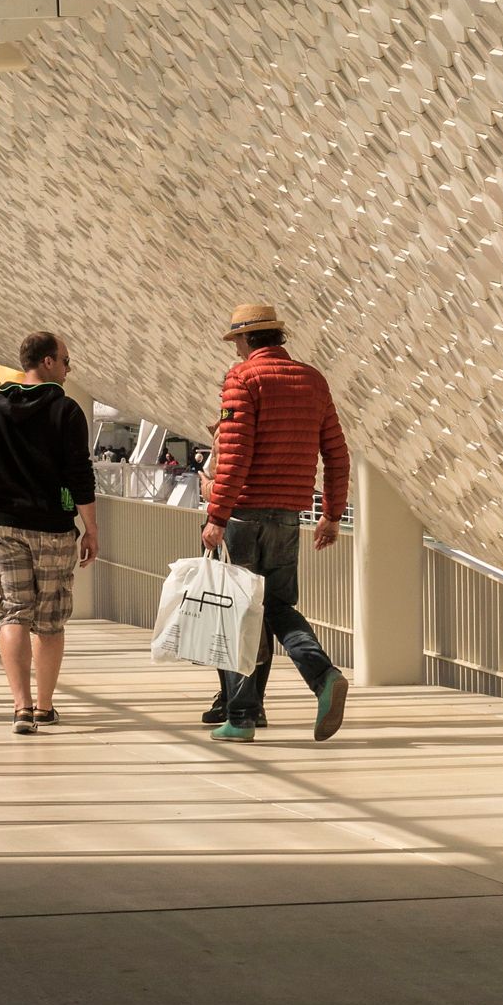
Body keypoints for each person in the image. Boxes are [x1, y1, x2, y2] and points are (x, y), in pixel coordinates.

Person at [202, 303, 350, 744]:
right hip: (289, 515)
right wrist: (332, 515)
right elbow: (337, 455)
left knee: (239, 613)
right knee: (276, 606)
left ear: (246, 341)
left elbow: (234, 458)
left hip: (244, 514)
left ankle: (244, 716)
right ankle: (314, 680)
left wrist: (217, 516)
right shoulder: (313, 380)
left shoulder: (242, 378)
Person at [0, 331, 99, 736]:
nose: (69, 369)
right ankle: (45, 708)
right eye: (66, 361)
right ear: (48, 362)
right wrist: (91, 528)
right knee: (49, 619)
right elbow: (79, 474)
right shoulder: (66, 410)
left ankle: (21, 707)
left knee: (12, 612)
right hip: (52, 527)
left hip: (3, 523)